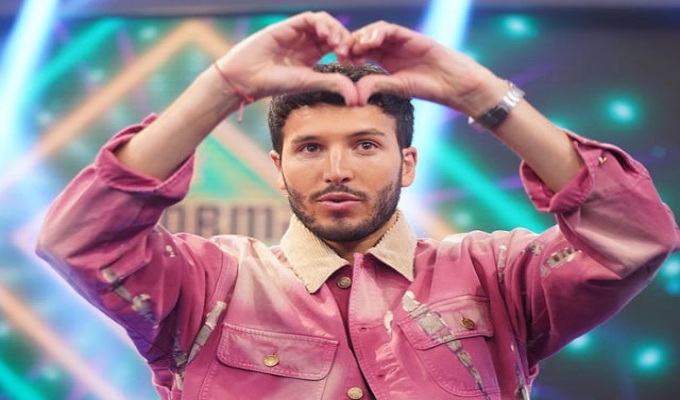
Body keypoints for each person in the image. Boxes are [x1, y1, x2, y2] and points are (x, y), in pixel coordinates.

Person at [36, 11, 678, 400]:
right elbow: (79, 242)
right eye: (310, 147)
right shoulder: (208, 285)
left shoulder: (495, 275)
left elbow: (635, 236)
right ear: (277, 168)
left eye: (366, 144)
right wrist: (222, 87)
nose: (337, 169)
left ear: (408, 163)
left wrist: (478, 92)